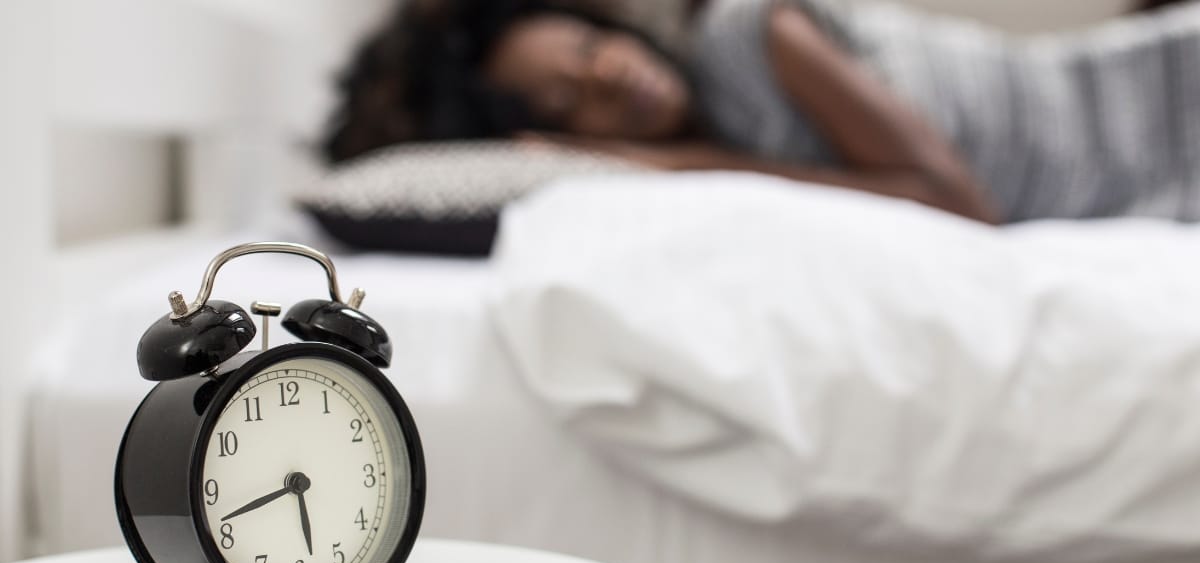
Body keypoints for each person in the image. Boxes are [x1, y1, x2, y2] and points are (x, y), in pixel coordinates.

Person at [323, 0, 1200, 224]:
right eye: (572, 99)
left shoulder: (749, 31)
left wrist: (682, 167)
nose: (614, 77)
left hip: (1156, 107)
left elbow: (956, 202)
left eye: (592, 49)